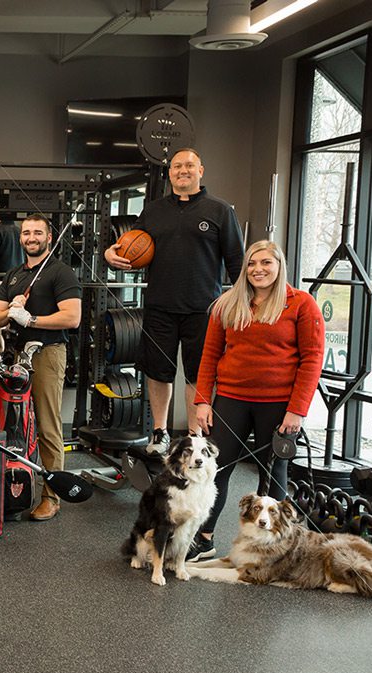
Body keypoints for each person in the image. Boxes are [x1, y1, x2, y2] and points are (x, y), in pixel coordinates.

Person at [188, 240, 324, 560]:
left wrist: (297, 411)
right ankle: (204, 539)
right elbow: (209, 356)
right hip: (231, 400)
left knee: (272, 475)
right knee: (215, 470)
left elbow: (312, 359)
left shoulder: (301, 304)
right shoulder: (227, 304)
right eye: (251, 263)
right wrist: (203, 400)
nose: (258, 269)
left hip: (277, 405)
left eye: (266, 263)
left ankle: (273, 548)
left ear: (279, 266)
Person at [104, 147, 244, 455]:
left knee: (198, 374)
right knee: (158, 372)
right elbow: (127, 246)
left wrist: (246, 305)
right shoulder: (153, 211)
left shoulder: (221, 211)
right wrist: (109, 254)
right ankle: (160, 432)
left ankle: (194, 437)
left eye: (189, 165)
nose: (183, 170)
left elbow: (237, 263)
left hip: (204, 309)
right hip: (159, 306)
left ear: (201, 171)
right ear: (170, 174)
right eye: (177, 166)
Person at [0, 214, 81, 521]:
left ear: (49, 237)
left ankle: (51, 497)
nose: (31, 237)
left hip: (47, 353)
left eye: (37, 232)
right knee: (15, 424)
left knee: (46, 424)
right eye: (26, 232)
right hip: (16, 355)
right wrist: (12, 310)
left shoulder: (60, 272)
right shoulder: (15, 274)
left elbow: (72, 317)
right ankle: (15, 488)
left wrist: (32, 320)